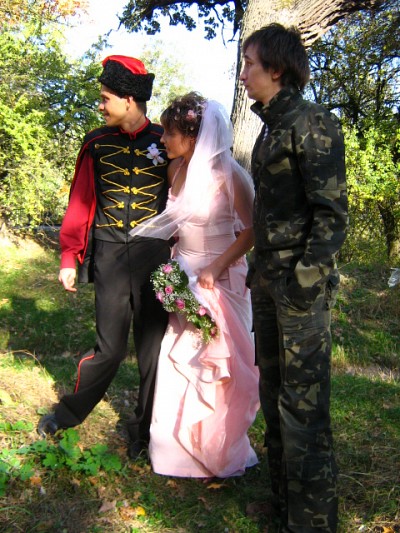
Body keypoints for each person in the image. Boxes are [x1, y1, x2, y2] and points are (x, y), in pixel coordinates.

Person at [239, 24, 348, 533]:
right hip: (267, 282)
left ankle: (312, 522)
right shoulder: (269, 127)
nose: (244, 75)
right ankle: (284, 506)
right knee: (274, 395)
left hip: (299, 289)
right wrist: (260, 274)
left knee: (304, 409)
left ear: (277, 69)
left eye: (250, 65)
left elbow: (331, 216)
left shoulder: (312, 122)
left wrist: (303, 281)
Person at [37, 55, 171, 460]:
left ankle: (145, 432)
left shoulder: (167, 140)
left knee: (153, 349)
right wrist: (69, 256)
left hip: (157, 257)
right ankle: (69, 413)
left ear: (129, 100)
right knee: (109, 348)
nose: (100, 106)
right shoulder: (95, 143)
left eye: (105, 98)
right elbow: (80, 201)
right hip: (110, 254)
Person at [130, 92, 260, 478]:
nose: (162, 140)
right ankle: (176, 452)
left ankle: (215, 448)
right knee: (179, 357)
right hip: (182, 273)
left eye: (169, 133)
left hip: (220, 277)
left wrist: (215, 267)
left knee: (218, 364)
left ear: (192, 136)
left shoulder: (230, 175)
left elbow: (252, 231)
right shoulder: (175, 170)